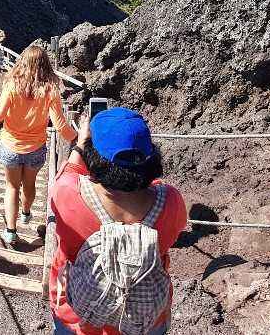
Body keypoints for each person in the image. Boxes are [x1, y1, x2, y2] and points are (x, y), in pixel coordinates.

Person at [49, 108, 187, 334]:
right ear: (151, 157)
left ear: (93, 157)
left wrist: (82, 143)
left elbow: (69, 173)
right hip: (146, 320)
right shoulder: (170, 201)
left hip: (79, 318)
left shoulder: (68, 193)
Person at [0, 45, 78, 245]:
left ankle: (11, 231)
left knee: (12, 186)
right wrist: (79, 136)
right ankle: (26, 212)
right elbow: (60, 126)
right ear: (44, 65)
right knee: (29, 184)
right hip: (35, 148)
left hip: (11, 145)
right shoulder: (51, 89)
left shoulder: (12, 85)